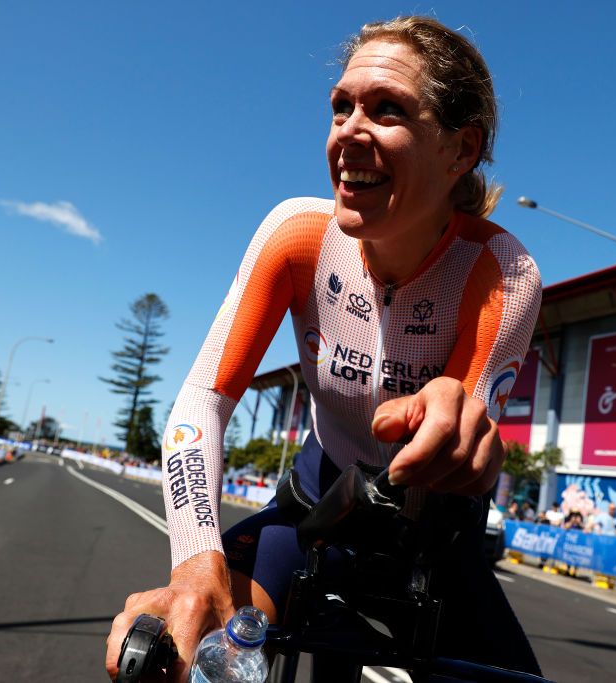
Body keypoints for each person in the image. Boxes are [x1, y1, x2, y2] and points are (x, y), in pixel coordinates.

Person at [106, 16, 543, 682]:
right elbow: (203, 398)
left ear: (461, 150)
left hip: (432, 537)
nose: (348, 130)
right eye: (342, 106)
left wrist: (458, 417)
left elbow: (463, 411)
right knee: (174, 655)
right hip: (315, 507)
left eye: (387, 109)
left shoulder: (502, 270)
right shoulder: (297, 235)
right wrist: (197, 561)